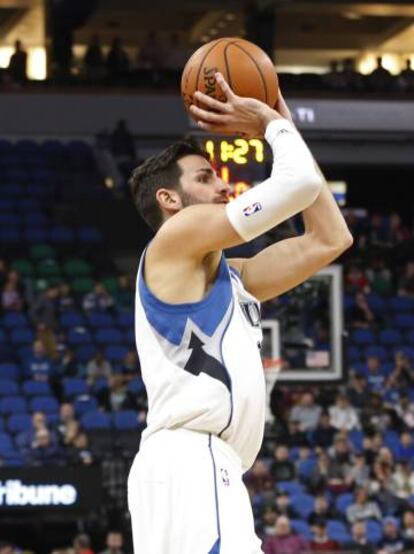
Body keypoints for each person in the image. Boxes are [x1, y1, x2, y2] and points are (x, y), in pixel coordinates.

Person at [127, 72, 352, 553]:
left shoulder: (231, 278)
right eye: (205, 178)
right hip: (192, 458)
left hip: (193, 466)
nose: (224, 187)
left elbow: (331, 239)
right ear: (170, 199)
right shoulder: (174, 238)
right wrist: (271, 121)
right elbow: (297, 183)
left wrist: (282, 117)